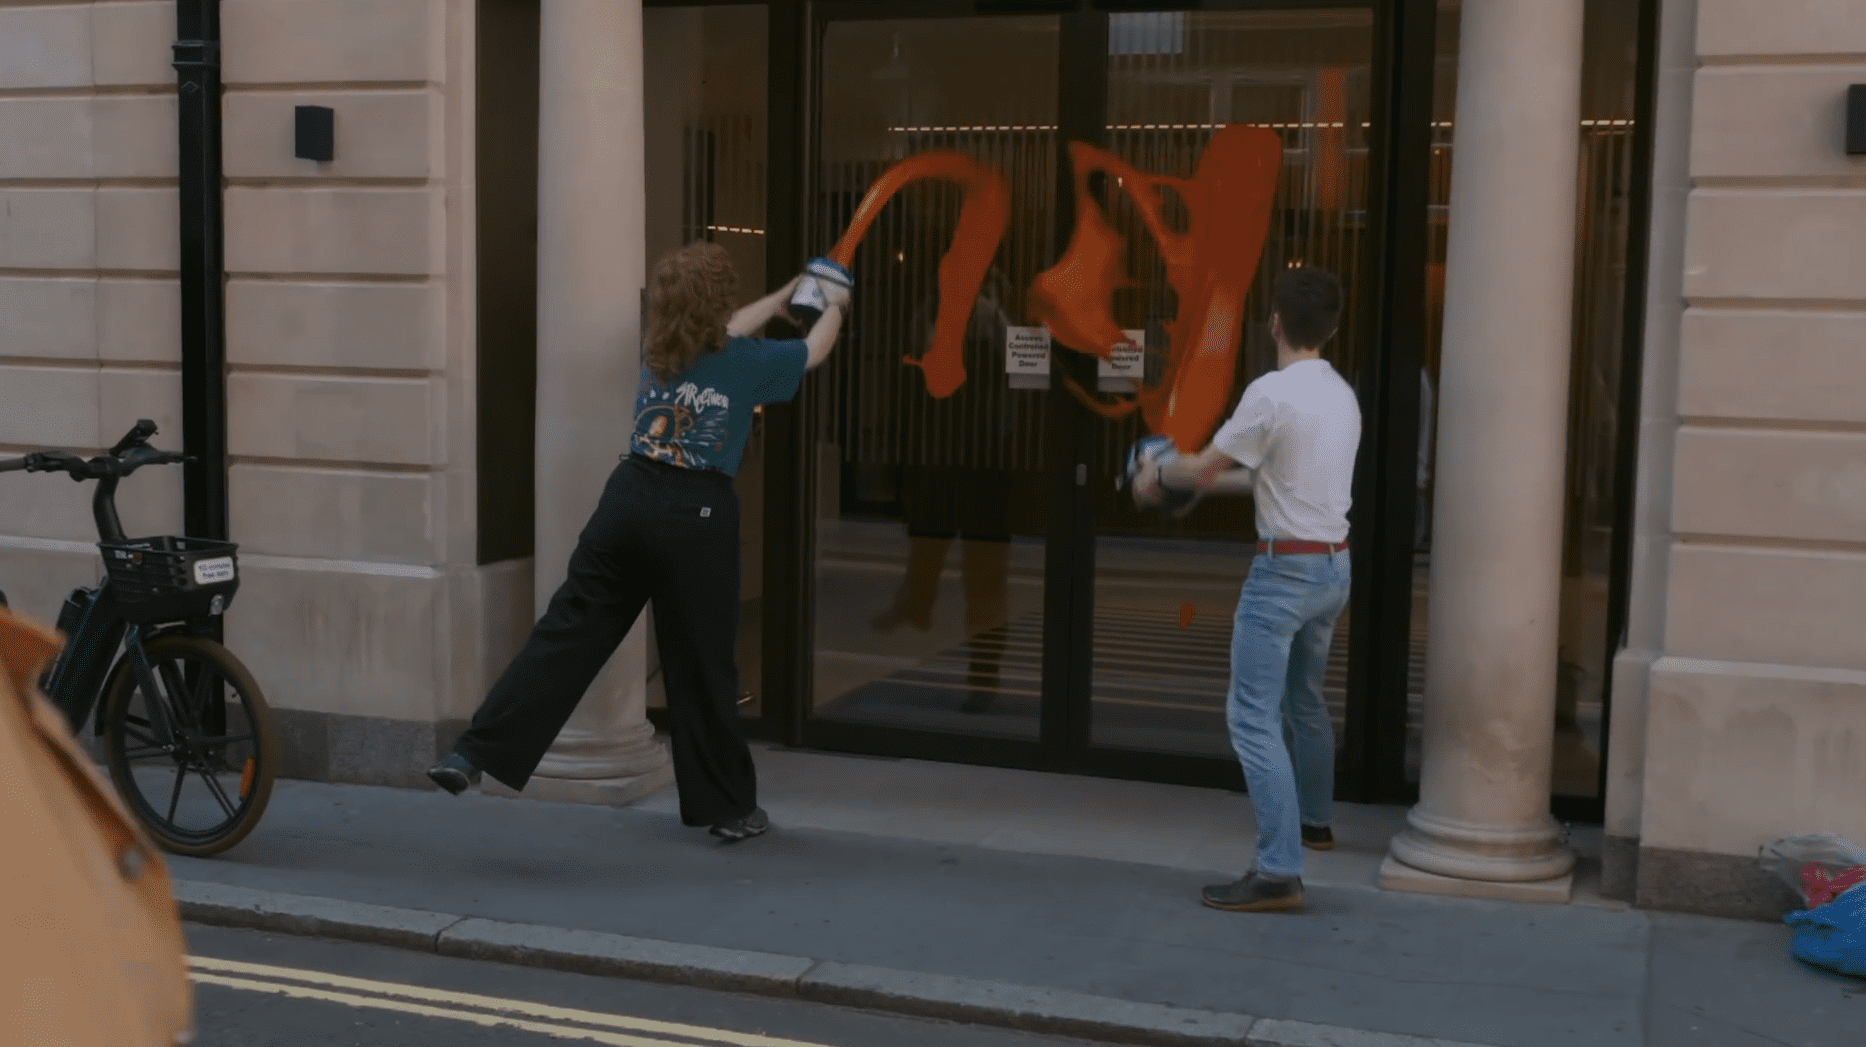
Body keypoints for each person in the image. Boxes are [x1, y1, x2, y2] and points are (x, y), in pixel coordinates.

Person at [427, 243, 850, 842]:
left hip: (627, 500)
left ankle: (472, 753)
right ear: (717, 306)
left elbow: (720, 329)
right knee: (702, 668)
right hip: (696, 514)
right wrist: (835, 304)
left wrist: (781, 297)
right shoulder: (747, 362)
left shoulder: (659, 351)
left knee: (566, 634)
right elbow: (812, 351)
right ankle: (729, 810)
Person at [1134, 268, 1360, 912]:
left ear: (1274, 325)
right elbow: (1271, 481)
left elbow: (1204, 463)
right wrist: (1195, 479)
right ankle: (1314, 824)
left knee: (1251, 718)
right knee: (1305, 700)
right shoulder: (1341, 397)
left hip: (1283, 576)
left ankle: (1278, 870)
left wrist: (1154, 471)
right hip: (1332, 569)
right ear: (1333, 328)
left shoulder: (1271, 392)